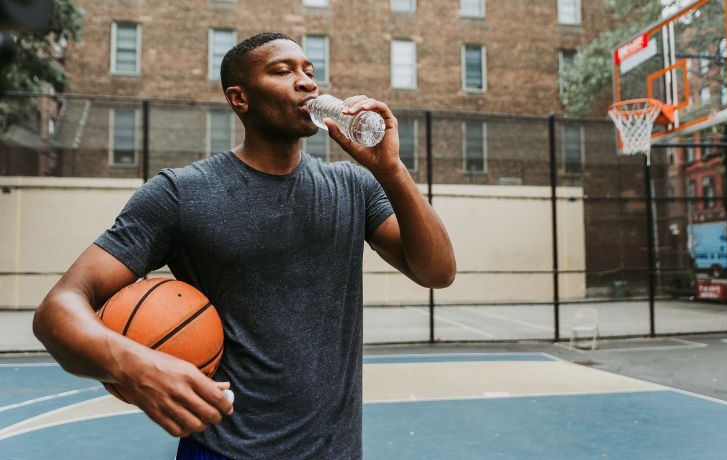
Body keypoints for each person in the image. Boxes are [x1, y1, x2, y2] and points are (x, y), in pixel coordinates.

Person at [32, 32, 456, 459]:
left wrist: (393, 170)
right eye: (282, 71)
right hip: (226, 450)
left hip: (337, 451)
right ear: (239, 99)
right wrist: (135, 364)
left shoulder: (353, 186)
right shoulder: (182, 194)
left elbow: (437, 272)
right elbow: (58, 310)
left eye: (309, 71)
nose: (307, 82)